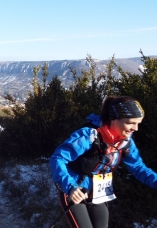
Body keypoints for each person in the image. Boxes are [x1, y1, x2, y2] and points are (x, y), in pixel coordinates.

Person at [50, 96, 157, 228]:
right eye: (130, 123)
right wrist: (70, 187)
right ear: (113, 119)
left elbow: (139, 168)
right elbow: (58, 158)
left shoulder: (125, 142)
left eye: (138, 123)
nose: (136, 128)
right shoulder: (88, 136)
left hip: (98, 195)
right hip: (74, 190)